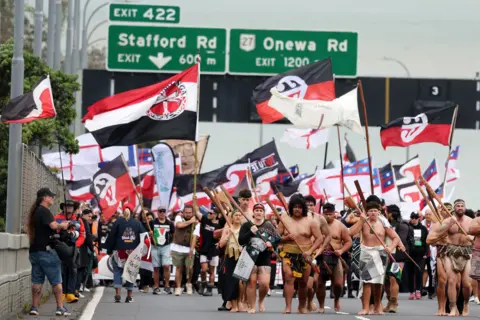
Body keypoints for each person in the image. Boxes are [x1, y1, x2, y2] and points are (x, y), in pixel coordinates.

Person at [348, 202, 400, 315]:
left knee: (378, 282)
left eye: (375, 211)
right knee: (366, 281)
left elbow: (396, 238)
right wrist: (361, 220)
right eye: (370, 211)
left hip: (380, 253)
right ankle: (365, 307)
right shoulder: (363, 221)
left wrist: (390, 248)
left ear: (379, 212)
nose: (372, 213)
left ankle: (378, 306)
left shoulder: (383, 222)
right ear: (367, 212)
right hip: (366, 252)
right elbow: (350, 232)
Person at [26, 188, 71, 316]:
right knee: (56, 281)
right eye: (50, 196)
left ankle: (34, 307)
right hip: (47, 252)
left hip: (34, 252)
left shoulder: (34, 212)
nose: (52, 198)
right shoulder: (44, 211)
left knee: (37, 281)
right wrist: (64, 225)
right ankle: (60, 307)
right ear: (44, 198)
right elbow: (53, 226)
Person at [278, 195, 323, 314]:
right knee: (289, 278)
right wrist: (286, 238)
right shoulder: (284, 218)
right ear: (291, 208)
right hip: (288, 253)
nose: (297, 209)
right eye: (295, 207)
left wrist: (310, 251)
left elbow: (319, 238)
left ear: (303, 208)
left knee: (303, 282)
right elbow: (276, 238)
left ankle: (302, 306)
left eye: (299, 207)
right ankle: (288, 307)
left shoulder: (311, 220)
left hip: (305, 255)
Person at [428, 199, 474, 316]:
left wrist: (472, 238)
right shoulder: (448, 221)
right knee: (452, 281)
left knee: (467, 284)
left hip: (467, 253)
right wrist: (447, 226)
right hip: (451, 252)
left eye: (462, 206)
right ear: (454, 208)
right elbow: (433, 237)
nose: (460, 208)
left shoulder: (471, 221)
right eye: (457, 206)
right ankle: (452, 307)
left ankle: (466, 304)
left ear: (464, 208)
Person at [239, 203, 280, 314]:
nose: (258, 212)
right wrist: (250, 232)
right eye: (256, 210)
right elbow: (241, 240)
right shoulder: (246, 225)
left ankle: (261, 300)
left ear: (263, 213)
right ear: (253, 212)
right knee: (251, 282)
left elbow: (277, 239)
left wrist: (270, 244)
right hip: (250, 256)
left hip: (264, 256)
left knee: (264, 284)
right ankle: (252, 306)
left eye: (261, 210)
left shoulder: (269, 225)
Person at [106, 203, 146, 303]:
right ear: (132, 212)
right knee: (130, 272)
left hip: (119, 251)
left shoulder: (117, 222)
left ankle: (118, 294)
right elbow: (143, 236)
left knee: (118, 271)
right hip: (133, 251)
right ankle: (129, 296)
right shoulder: (137, 223)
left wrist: (109, 250)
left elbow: (111, 237)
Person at [316, 202, 352, 312]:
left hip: (335, 257)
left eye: (330, 214)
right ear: (322, 214)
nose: (328, 216)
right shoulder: (316, 225)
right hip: (321, 257)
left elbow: (348, 241)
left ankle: (336, 299)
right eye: (326, 214)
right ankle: (321, 305)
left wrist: (341, 251)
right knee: (320, 283)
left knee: (338, 284)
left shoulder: (340, 226)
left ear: (334, 214)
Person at [383, 205, 413, 313]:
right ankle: (389, 302)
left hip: (399, 257)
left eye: (387, 212)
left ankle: (394, 303)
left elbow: (401, 239)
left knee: (393, 278)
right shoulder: (385, 224)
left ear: (390, 213)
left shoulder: (403, 225)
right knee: (386, 281)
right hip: (385, 256)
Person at [54, 200, 84, 304]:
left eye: (71, 207)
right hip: (61, 248)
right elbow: (53, 230)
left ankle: (70, 293)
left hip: (74, 248)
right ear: (63, 208)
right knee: (62, 270)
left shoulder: (79, 220)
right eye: (67, 206)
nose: (69, 208)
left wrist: (77, 244)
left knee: (73, 270)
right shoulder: (57, 218)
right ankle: (62, 293)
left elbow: (82, 234)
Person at [171, 205, 200, 296]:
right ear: (183, 212)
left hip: (189, 248)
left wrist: (192, 249)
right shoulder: (179, 217)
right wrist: (190, 221)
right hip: (177, 247)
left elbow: (195, 236)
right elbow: (179, 225)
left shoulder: (197, 223)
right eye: (186, 212)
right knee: (178, 268)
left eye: (190, 213)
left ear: (193, 213)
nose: (188, 214)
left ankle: (188, 282)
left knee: (190, 268)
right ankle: (178, 287)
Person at [218, 210, 243, 312]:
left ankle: (240, 302)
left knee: (240, 282)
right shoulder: (228, 228)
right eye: (235, 215)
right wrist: (228, 235)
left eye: (239, 215)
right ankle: (233, 305)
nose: (238, 217)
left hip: (241, 257)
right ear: (232, 218)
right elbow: (221, 244)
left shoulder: (244, 229)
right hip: (230, 257)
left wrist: (243, 247)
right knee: (230, 281)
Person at [193, 206, 220, 296]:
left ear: (216, 215)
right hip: (204, 249)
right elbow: (196, 211)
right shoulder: (205, 220)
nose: (209, 214)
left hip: (214, 251)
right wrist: (195, 201)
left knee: (212, 271)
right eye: (208, 212)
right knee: (204, 270)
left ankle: (209, 289)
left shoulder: (219, 225)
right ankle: (203, 284)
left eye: (211, 213)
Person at [151, 206, 175, 295]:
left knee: (166, 266)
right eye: (160, 211)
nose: (161, 213)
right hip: (155, 246)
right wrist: (150, 234)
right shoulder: (152, 222)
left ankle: (167, 285)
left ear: (166, 212)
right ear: (157, 212)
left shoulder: (169, 223)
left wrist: (170, 245)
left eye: (163, 211)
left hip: (166, 246)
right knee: (156, 267)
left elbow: (173, 234)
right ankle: (156, 286)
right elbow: (147, 233)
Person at [407, 211, 429, 300]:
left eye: (416, 218)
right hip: (410, 254)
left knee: (419, 271)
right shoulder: (408, 227)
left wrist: (425, 253)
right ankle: (412, 291)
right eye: (412, 217)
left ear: (419, 219)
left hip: (420, 253)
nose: (414, 219)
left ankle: (418, 291)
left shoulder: (423, 228)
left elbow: (427, 242)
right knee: (410, 273)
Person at [468, 212, 480, 305]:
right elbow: (471, 230)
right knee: (476, 277)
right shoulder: (477, 220)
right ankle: (476, 296)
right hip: (478, 251)